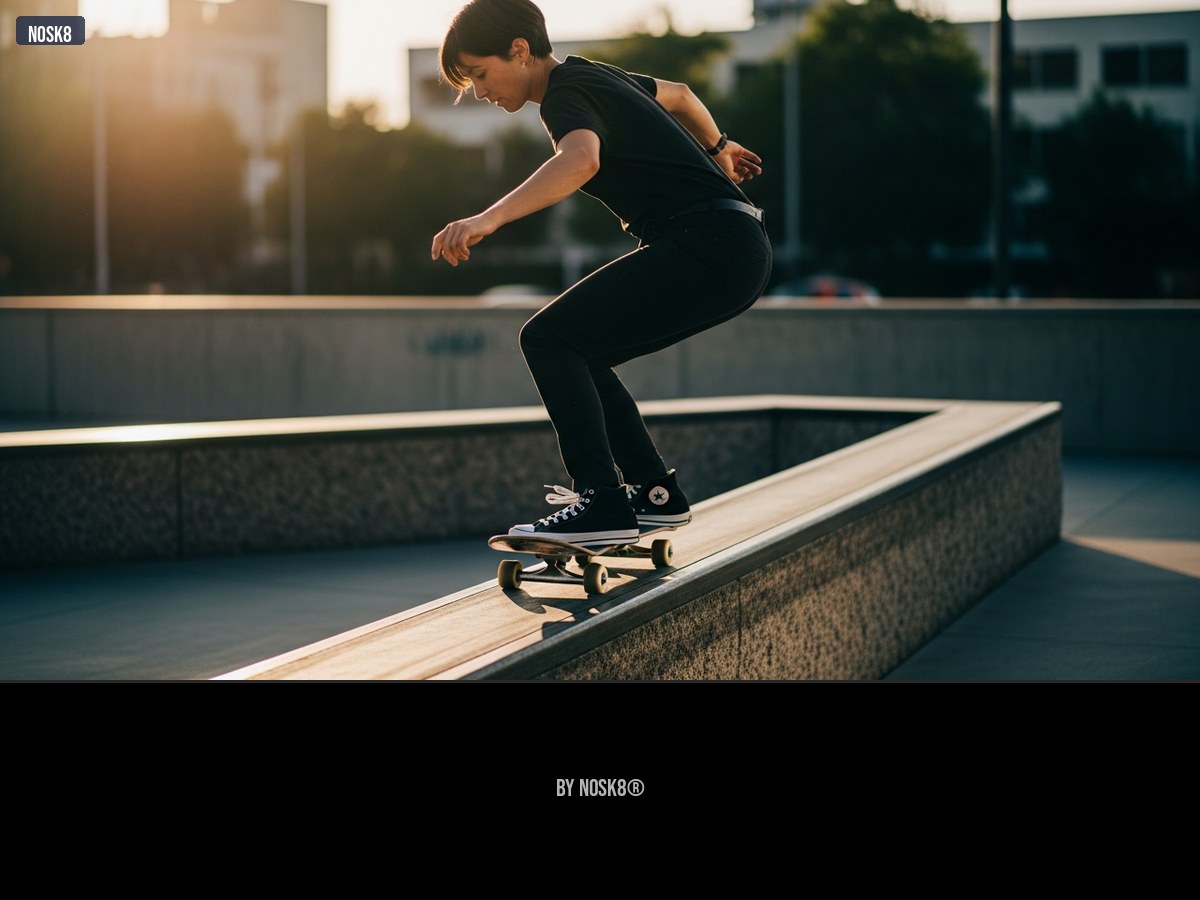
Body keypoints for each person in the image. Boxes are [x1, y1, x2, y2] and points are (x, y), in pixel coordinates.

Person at [432, 0, 772, 545]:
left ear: (519, 51)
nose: (479, 91)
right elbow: (682, 95)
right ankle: (655, 493)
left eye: (479, 74)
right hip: (734, 247)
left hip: (706, 246)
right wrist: (718, 147)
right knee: (582, 352)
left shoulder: (564, 97)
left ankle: (600, 502)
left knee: (547, 339)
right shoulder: (595, 75)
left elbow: (581, 160)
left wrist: (487, 219)